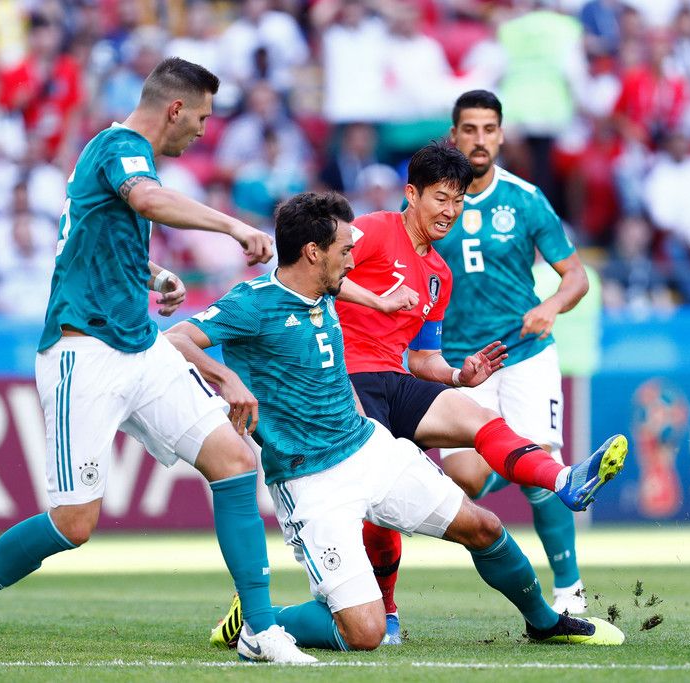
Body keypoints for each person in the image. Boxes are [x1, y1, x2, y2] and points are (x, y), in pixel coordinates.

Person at [0, 57, 314, 666]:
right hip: (83, 354)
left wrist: (154, 276)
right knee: (73, 523)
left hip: (140, 344)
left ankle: (259, 630)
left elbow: (93, 237)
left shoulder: (110, 155)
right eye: (201, 118)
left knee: (235, 461)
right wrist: (234, 228)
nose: (203, 132)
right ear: (175, 109)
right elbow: (148, 200)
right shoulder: (122, 147)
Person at [167, 191, 625, 652]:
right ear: (313, 252)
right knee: (364, 633)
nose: (353, 260)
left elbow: (343, 321)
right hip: (309, 480)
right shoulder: (252, 303)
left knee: (482, 527)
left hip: (368, 449)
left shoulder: (323, 289)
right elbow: (175, 338)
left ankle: (546, 623)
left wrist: (382, 309)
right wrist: (225, 378)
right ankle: (260, 620)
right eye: (346, 250)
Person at [334, 142, 627, 644]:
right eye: (440, 198)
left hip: (396, 379)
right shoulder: (375, 229)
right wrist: (377, 301)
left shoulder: (439, 275)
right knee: (380, 496)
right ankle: (387, 611)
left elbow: (423, 357)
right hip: (344, 378)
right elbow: (317, 274)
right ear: (412, 194)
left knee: (479, 417)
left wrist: (458, 375)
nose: (450, 211)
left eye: (458, 200)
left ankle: (564, 479)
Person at [432, 89, 596, 618]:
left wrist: (551, 305)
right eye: (469, 129)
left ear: (501, 135)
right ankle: (529, 464)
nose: (479, 140)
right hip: (461, 364)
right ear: (453, 136)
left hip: (525, 352)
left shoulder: (525, 199)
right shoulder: (432, 205)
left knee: (542, 466)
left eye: (489, 129)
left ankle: (570, 591)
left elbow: (576, 276)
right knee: (466, 479)